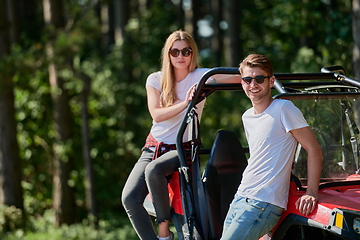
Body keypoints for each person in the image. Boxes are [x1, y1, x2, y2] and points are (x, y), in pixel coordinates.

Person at [121, 30, 240, 240]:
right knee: (129, 198)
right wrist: (186, 102)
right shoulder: (156, 79)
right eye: (174, 51)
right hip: (154, 146)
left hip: (182, 149)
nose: (180, 56)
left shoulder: (203, 76)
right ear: (168, 54)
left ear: (193, 52)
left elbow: (241, 77)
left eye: (186, 50)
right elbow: (156, 115)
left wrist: (258, 75)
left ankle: (164, 232)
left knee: (154, 170)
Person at [220, 54, 323, 240]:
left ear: (271, 81)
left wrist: (311, 193)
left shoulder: (284, 108)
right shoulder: (247, 116)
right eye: (247, 79)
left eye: (259, 79)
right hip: (241, 197)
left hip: (263, 202)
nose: (253, 84)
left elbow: (314, 149)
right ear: (242, 82)